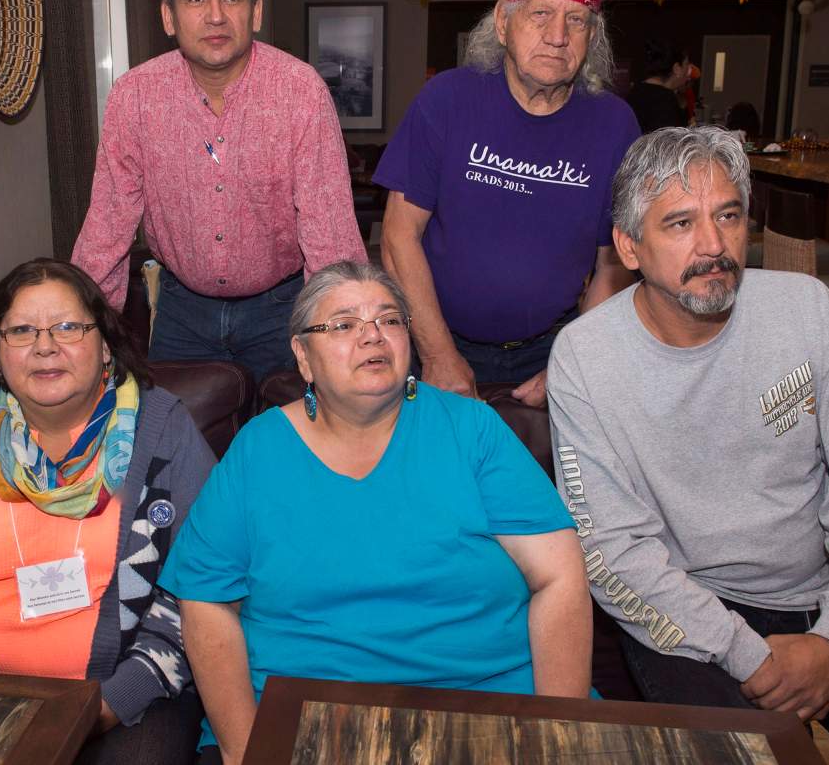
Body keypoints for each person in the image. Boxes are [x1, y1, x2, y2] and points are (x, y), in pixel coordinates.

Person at [547, 125, 829, 764]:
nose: (712, 245)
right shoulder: (587, 358)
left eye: (727, 215)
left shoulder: (807, 311)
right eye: (679, 224)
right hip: (687, 619)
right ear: (629, 247)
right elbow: (614, 551)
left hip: (823, 598)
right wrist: (756, 659)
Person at [160, 260, 593, 765]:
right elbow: (207, 603)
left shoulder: (472, 428)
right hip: (302, 717)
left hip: (486, 707)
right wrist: (243, 750)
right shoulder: (258, 449)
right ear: (303, 355)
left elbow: (560, 577)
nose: (373, 337)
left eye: (389, 320)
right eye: (344, 325)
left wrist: (560, 734)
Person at [0, 259, 217, 765]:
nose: (45, 345)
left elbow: (201, 583)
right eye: (21, 330)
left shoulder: (162, 431)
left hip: (122, 695)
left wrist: (108, 704)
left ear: (104, 345)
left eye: (68, 326)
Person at [72, 0, 365, 383]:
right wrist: (80, 331)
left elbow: (329, 233)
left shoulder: (301, 92)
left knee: (287, 447)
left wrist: (340, 333)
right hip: (181, 313)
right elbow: (108, 224)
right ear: (169, 17)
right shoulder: (134, 97)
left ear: (256, 12)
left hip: (282, 312)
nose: (215, 15)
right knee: (175, 446)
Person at [375, 0, 639, 410]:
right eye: (539, 14)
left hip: (554, 345)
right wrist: (438, 355)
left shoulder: (615, 125)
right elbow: (398, 234)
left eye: (576, 19)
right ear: (502, 22)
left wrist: (570, 361)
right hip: (432, 336)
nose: (557, 35)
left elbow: (614, 265)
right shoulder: (447, 100)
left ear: (592, 36)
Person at [624, 38, 691, 133]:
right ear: (677, 69)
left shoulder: (634, 92)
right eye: (686, 65)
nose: (688, 73)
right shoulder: (665, 100)